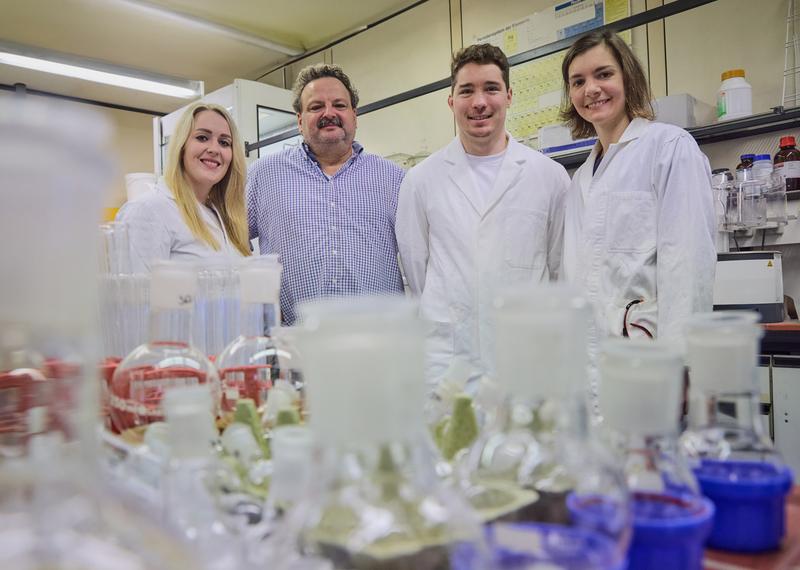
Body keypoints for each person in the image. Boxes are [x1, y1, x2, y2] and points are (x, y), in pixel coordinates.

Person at [396, 43, 570, 383]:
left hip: (525, 355)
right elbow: (417, 271)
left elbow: (559, 268)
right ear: (451, 102)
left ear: (509, 96)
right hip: (448, 357)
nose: (479, 102)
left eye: (491, 88)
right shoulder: (420, 180)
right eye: (466, 91)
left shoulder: (549, 176)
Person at [559, 30, 716, 345]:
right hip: (586, 358)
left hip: (647, 358)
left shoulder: (669, 147)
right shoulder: (580, 180)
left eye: (603, 74)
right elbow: (573, 277)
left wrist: (679, 364)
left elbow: (687, 267)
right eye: (578, 82)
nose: (591, 89)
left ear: (628, 78)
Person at [247, 64, 405, 325]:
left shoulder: (393, 178)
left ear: (354, 115)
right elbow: (228, 241)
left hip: (378, 347)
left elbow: (421, 254)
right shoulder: (264, 175)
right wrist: (258, 299)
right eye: (316, 106)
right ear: (299, 120)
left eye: (339, 105)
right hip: (296, 349)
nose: (329, 113)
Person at [117, 102, 250, 271]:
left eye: (224, 142)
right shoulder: (147, 211)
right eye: (202, 137)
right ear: (182, 146)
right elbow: (134, 295)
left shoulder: (220, 215)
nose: (214, 149)